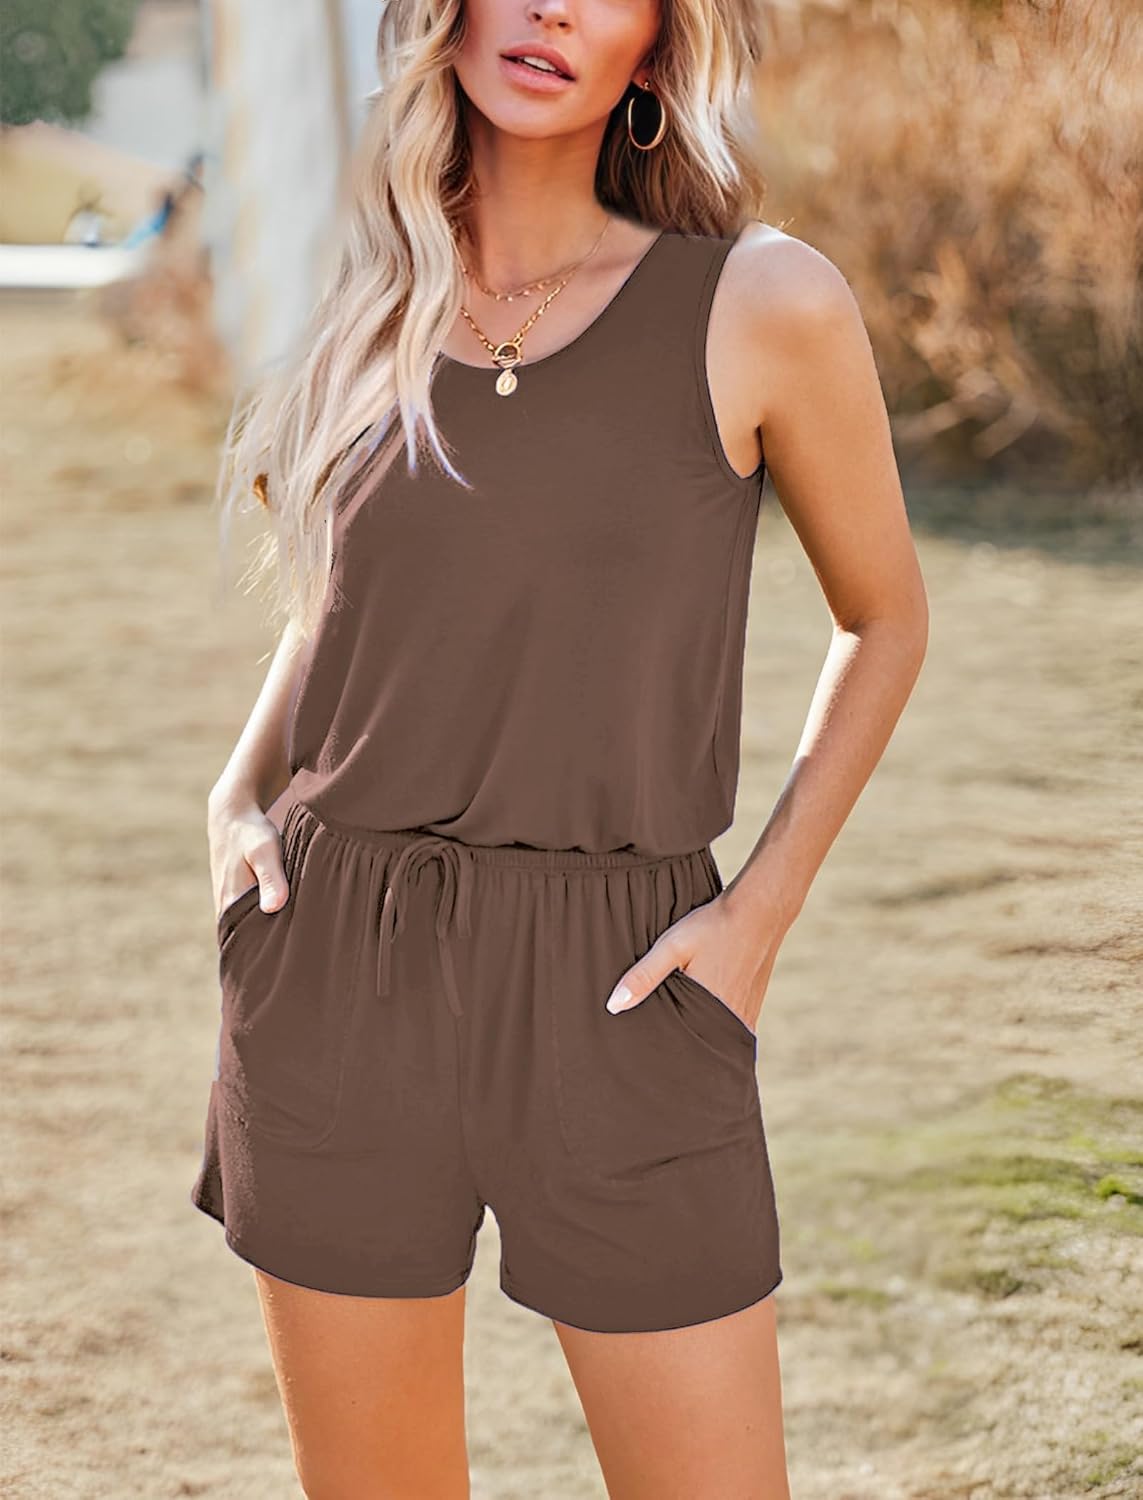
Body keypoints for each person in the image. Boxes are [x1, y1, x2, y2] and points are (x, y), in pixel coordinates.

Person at [190, 0, 928, 1494]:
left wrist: (757, 917)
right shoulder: (378, 293)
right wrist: (236, 793)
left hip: (625, 975)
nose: (550, 9)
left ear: (655, 42)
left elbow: (886, 618)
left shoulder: (761, 302)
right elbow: (343, 601)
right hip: (337, 961)